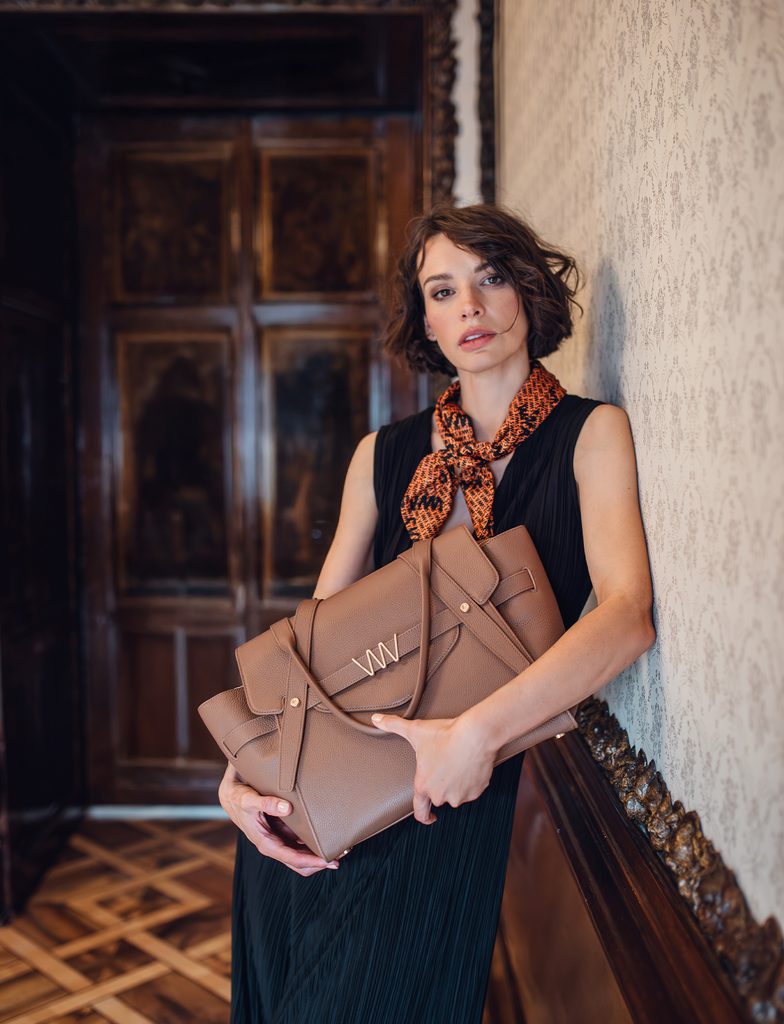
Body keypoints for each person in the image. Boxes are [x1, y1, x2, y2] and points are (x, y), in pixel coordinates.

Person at [219, 202, 656, 1023]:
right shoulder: (381, 455)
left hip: (447, 805)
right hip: (326, 801)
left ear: (527, 290)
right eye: (443, 290)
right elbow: (306, 648)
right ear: (424, 318)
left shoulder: (590, 434)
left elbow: (628, 615)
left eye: (491, 279)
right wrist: (240, 776)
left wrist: (477, 736)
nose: (471, 307)